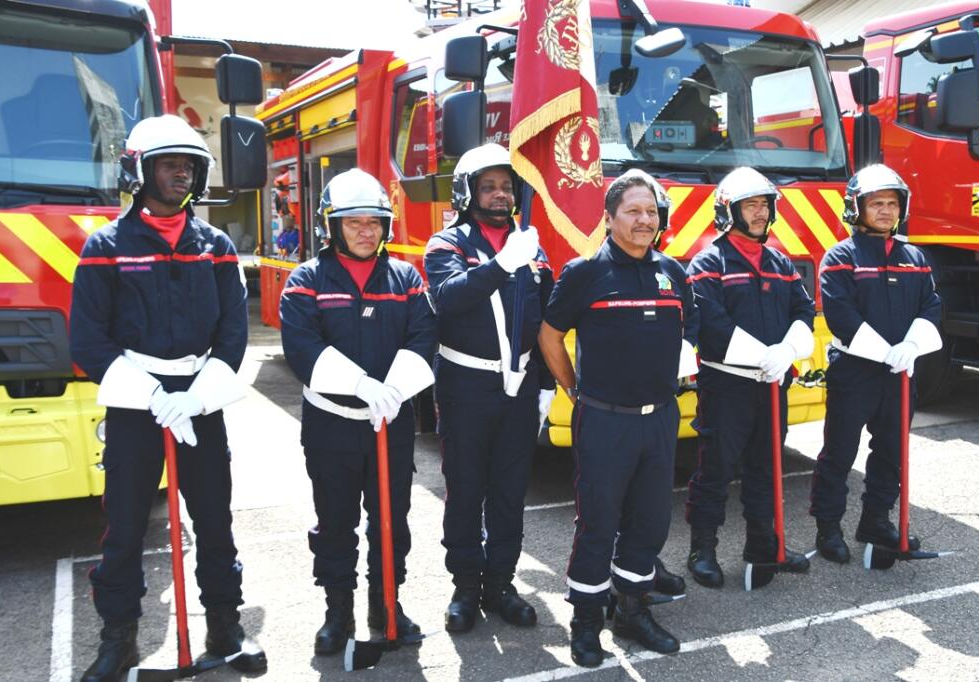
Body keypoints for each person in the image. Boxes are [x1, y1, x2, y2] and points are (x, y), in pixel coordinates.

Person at [70, 115, 265, 681]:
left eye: (189, 166)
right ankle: (119, 639)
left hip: (201, 401)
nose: (182, 174)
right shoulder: (106, 246)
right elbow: (88, 340)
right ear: (139, 171)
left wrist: (196, 397)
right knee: (126, 526)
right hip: (136, 405)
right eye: (169, 165)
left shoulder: (216, 247)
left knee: (215, 521)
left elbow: (233, 333)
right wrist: (152, 395)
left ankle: (225, 627)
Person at [539, 169, 699, 668]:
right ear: (609, 218)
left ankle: (631, 610)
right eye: (632, 211)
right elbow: (549, 335)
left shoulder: (673, 272)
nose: (644, 220)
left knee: (650, 521)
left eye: (651, 211)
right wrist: (574, 389)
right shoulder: (584, 273)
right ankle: (586, 621)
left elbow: (689, 330)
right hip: (605, 421)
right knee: (599, 523)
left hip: (661, 418)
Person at [279, 168, 437, 650]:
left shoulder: (406, 278)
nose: (366, 231)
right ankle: (338, 612)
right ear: (333, 226)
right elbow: (301, 347)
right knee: (335, 521)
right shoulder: (307, 279)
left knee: (392, 521)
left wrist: (394, 390)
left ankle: (386, 604)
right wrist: (359, 385)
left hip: (391, 422)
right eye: (354, 222)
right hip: (332, 425)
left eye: (374, 222)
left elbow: (424, 336)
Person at [423, 143, 556, 633]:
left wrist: (545, 384)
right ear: (467, 192)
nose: (500, 194)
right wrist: (501, 264)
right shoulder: (447, 244)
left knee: (509, 491)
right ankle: (464, 586)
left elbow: (543, 320)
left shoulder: (532, 245)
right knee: (465, 490)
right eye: (489, 186)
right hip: (466, 386)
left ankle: (500, 583)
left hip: (519, 386)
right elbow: (449, 298)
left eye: (506, 186)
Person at [683, 167, 816, 589]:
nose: (760, 213)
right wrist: (764, 355)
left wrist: (788, 351)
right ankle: (702, 550)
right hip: (728, 386)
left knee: (768, 467)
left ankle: (764, 546)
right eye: (750, 206)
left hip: (773, 383)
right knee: (716, 469)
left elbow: (803, 310)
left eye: (764, 205)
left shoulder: (780, 262)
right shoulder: (709, 262)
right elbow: (712, 324)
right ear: (728, 211)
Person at [810, 164, 942, 563]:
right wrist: (887, 352)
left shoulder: (915, 257)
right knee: (839, 452)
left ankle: (876, 521)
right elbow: (841, 316)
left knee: (891, 451)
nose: (886, 211)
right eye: (876, 203)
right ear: (857, 208)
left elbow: (931, 306)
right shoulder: (840, 257)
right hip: (855, 372)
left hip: (900, 374)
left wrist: (913, 345)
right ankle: (828, 528)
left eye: (892, 204)